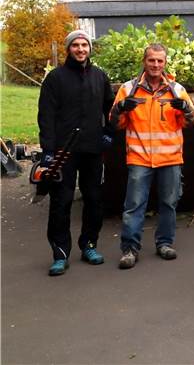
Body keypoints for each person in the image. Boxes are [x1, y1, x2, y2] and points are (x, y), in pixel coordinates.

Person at [110, 43, 194, 269]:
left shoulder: (176, 90)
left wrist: (184, 108)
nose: (156, 65)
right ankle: (130, 249)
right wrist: (121, 107)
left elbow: (190, 122)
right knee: (134, 205)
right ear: (144, 61)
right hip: (139, 157)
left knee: (169, 203)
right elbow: (115, 124)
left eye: (160, 61)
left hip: (170, 158)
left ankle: (165, 244)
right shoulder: (129, 89)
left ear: (165, 63)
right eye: (152, 60)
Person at [37, 30, 115, 276]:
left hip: (93, 149)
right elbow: (46, 116)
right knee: (61, 202)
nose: (81, 49)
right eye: (76, 45)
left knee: (94, 200)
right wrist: (48, 151)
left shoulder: (100, 77)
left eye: (84, 45)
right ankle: (60, 254)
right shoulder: (55, 79)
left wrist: (109, 133)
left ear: (89, 49)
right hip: (63, 151)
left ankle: (89, 245)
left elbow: (110, 109)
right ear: (69, 49)